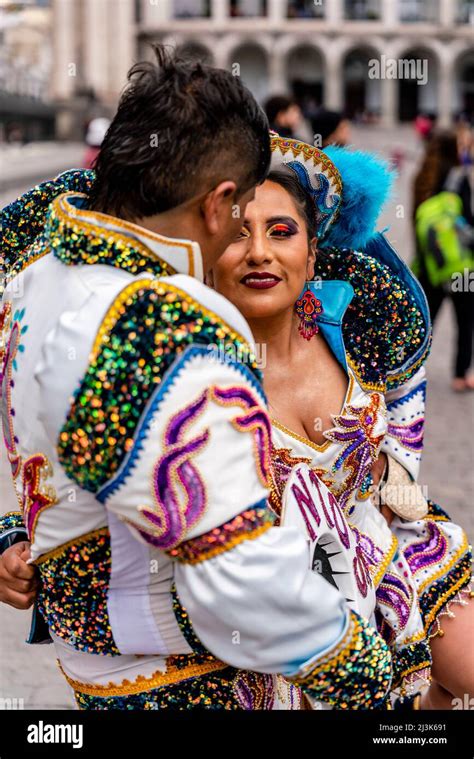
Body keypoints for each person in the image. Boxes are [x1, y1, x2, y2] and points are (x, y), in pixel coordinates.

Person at [0, 47, 392, 710]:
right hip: (187, 678)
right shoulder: (164, 323)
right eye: (241, 217)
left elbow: (44, 452)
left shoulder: (33, 279)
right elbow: (233, 574)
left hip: (97, 666)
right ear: (218, 205)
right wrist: (358, 666)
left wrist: (17, 532)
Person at [207, 133, 474, 709]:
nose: (259, 252)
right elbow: (87, 468)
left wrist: (393, 484)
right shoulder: (183, 371)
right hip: (262, 621)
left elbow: (402, 455)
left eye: (282, 231)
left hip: (390, 555)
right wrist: (15, 538)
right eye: (235, 234)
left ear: (312, 252)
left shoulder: (361, 335)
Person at [412, 129, 474, 392]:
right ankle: (460, 376)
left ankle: (409, 370)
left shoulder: (422, 177)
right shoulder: (459, 177)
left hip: (430, 265)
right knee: (465, 321)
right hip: (459, 266)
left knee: (425, 323)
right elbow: (467, 223)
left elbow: (417, 223)